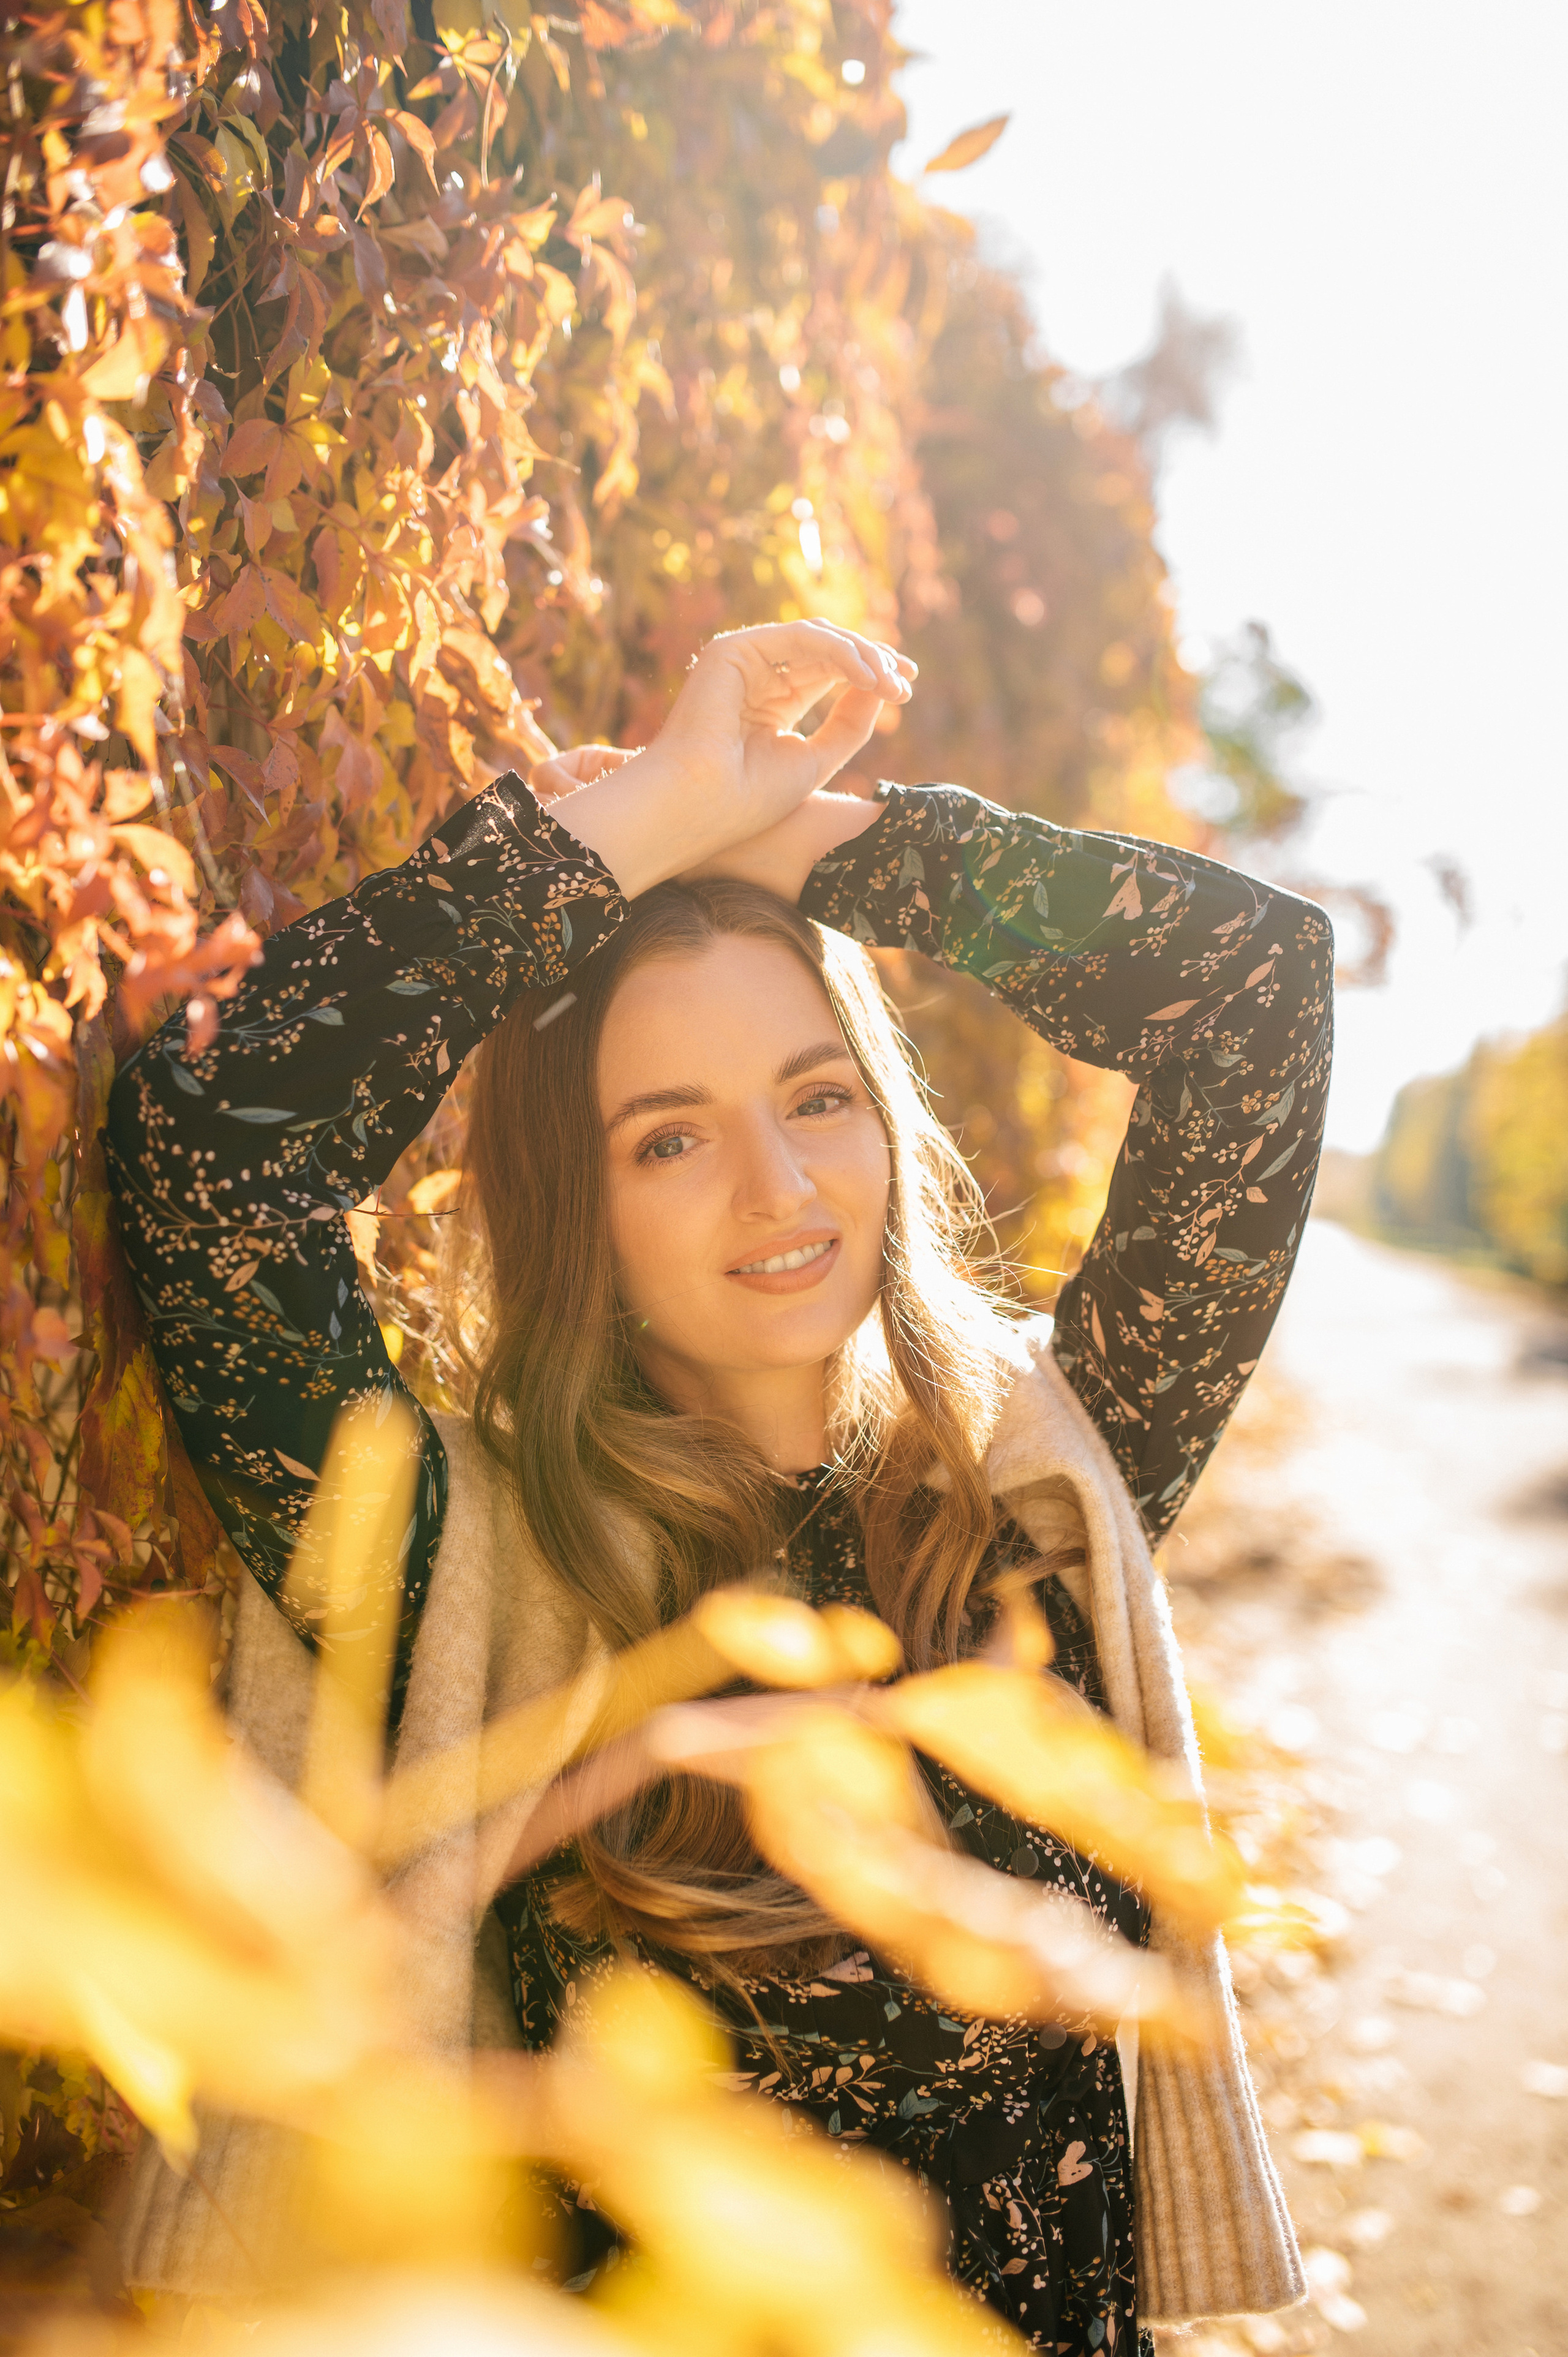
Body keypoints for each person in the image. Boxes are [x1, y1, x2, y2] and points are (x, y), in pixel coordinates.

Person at [107, 621, 1332, 2350]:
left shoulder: (1042, 1483)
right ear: (576, 1203)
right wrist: (638, 822)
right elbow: (220, 1157)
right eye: (668, 1136)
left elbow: (1254, 992)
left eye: (816, 1097)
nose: (780, 1188)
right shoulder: (460, 1555)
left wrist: (819, 842)